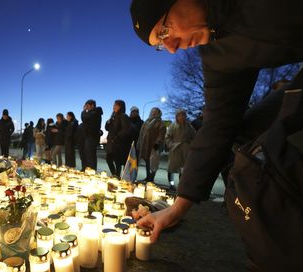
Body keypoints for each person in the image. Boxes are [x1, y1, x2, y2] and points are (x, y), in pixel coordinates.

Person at [129, 1, 303, 240]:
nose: (171, 47)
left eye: (164, 31)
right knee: (248, 137)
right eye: (160, 44)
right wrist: (178, 208)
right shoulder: (218, 53)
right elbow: (217, 125)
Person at [165, 109, 196, 191]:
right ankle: (171, 184)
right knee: (172, 168)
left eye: (183, 115)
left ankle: (180, 185)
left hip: (185, 150)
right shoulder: (173, 126)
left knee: (183, 169)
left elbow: (194, 137)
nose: (182, 117)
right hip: (175, 149)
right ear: (177, 117)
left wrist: (190, 145)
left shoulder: (189, 126)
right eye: (180, 115)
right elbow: (168, 137)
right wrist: (171, 145)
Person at [105, 100, 133, 178]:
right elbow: (107, 128)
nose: (113, 106)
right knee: (108, 159)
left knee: (118, 161)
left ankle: (117, 176)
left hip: (118, 143)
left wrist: (117, 136)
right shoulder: (113, 116)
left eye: (115, 105)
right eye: (114, 105)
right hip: (111, 142)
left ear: (120, 107)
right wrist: (108, 122)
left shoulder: (123, 116)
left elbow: (126, 129)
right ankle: (115, 175)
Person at [136, 107, 165, 182]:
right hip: (145, 144)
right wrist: (139, 143)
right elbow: (141, 133)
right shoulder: (147, 121)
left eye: (155, 112)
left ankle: (152, 177)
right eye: (152, 111)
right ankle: (148, 176)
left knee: (153, 162)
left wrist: (157, 143)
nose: (153, 112)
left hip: (153, 145)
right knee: (147, 161)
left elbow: (161, 134)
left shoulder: (160, 123)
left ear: (159, 113)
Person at [80, 99, 103, 170]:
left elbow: (85, 118)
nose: (86, 107)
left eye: (87, 106)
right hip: (88, 136)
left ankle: (91, 170)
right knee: (87, 154)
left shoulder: (95, 113)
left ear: (92, 105)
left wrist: (83, 111)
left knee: (90, 155)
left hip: (92, 137)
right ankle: (87, 169)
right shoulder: (92, 113)